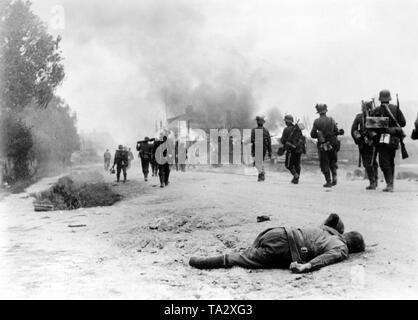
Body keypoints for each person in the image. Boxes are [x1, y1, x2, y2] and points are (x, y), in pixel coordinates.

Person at [189, 213, 364, 273]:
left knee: (249, 253)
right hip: (284, 248)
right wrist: (307, 266)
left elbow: (334, 216)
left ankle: (200, 260)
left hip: (275, 232)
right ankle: (199, 262)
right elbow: (329, 257)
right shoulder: (341, 247)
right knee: (240, 258)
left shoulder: (327, 229)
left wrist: (339, 227)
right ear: (352, 247)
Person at [369, 90, 406, 192]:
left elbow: (370, 127)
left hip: (382, 139)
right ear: (389, 99)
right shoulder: (396, 109)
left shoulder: (376, 111)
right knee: (391, 161)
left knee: (384, 163)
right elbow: (403, 123)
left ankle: (389, 184)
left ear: (380, 99)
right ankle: (391, 183)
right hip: (394, 140)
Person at [310, 104, 343, 188]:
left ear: (319, 112)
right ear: (325, 111)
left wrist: (319, 134)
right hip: (332, 144)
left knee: (324, 162)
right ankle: (334, 177)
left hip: (323, 145)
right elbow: (336, 131)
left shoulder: (317, 121)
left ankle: (328, 181)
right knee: (332, 161)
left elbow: (313, 135)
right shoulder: (331, 120)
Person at [351, 101, 379, 190]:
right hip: (370, 143)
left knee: (368, 163)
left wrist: (359, 138)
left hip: (368, 143)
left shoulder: (362, 117)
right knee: (372, 161)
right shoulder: (375, 117)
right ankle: (375, 181)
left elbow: (353, 130)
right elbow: (354, 130)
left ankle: (373, 182)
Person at [280, 115, 306, 184]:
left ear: (287, 122)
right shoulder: (298, 129)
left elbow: (283, 141)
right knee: (297, 164)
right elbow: (301, 138)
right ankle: (296, 179)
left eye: (285, 121)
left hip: (291, 150)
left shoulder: (286, 129)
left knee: (288, 165)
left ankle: (296, 176)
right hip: (298, 150)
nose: (285, 122)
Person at [251, 116, 272, 182]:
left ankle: (261, 174)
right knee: (259, 162)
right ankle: (261, 174)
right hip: (263, 149)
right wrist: (269, 151)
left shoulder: (254, 130)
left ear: (257, 122)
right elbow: (269, 142)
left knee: (257, 163)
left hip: (257, 149)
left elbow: (251, 140)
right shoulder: (266, 130)